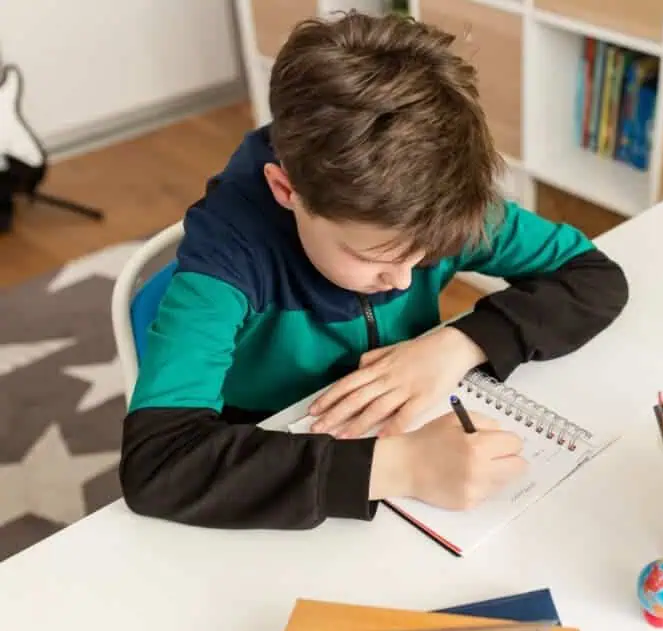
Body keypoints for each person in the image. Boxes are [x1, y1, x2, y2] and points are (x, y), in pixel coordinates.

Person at [119, 11, 628, 530]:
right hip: (275, 447)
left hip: (405, 418)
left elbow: (593, 276)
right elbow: (160, 463)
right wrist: (401, 468)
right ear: (286, 190)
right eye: (374, 258)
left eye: (426, 255)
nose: (406, 281)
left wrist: (459, 344)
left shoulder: (433, 201)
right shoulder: (228, 256)